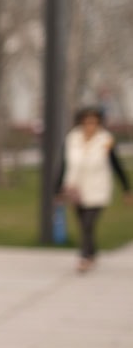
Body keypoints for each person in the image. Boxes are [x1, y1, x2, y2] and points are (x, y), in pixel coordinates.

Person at [56, 105, 131, 272]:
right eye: (87, 122)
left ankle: (84, 257)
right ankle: (91, 252)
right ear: (81, 123)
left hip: (98, 188)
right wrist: (58, 189)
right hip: (75, 189)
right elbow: (64, 165)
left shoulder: (106, 140)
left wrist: (126, 189)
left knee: (88, 224)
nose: (90, 126)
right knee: (82, 223)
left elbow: (117, 165)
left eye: (94, 122)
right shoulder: (72, 139)